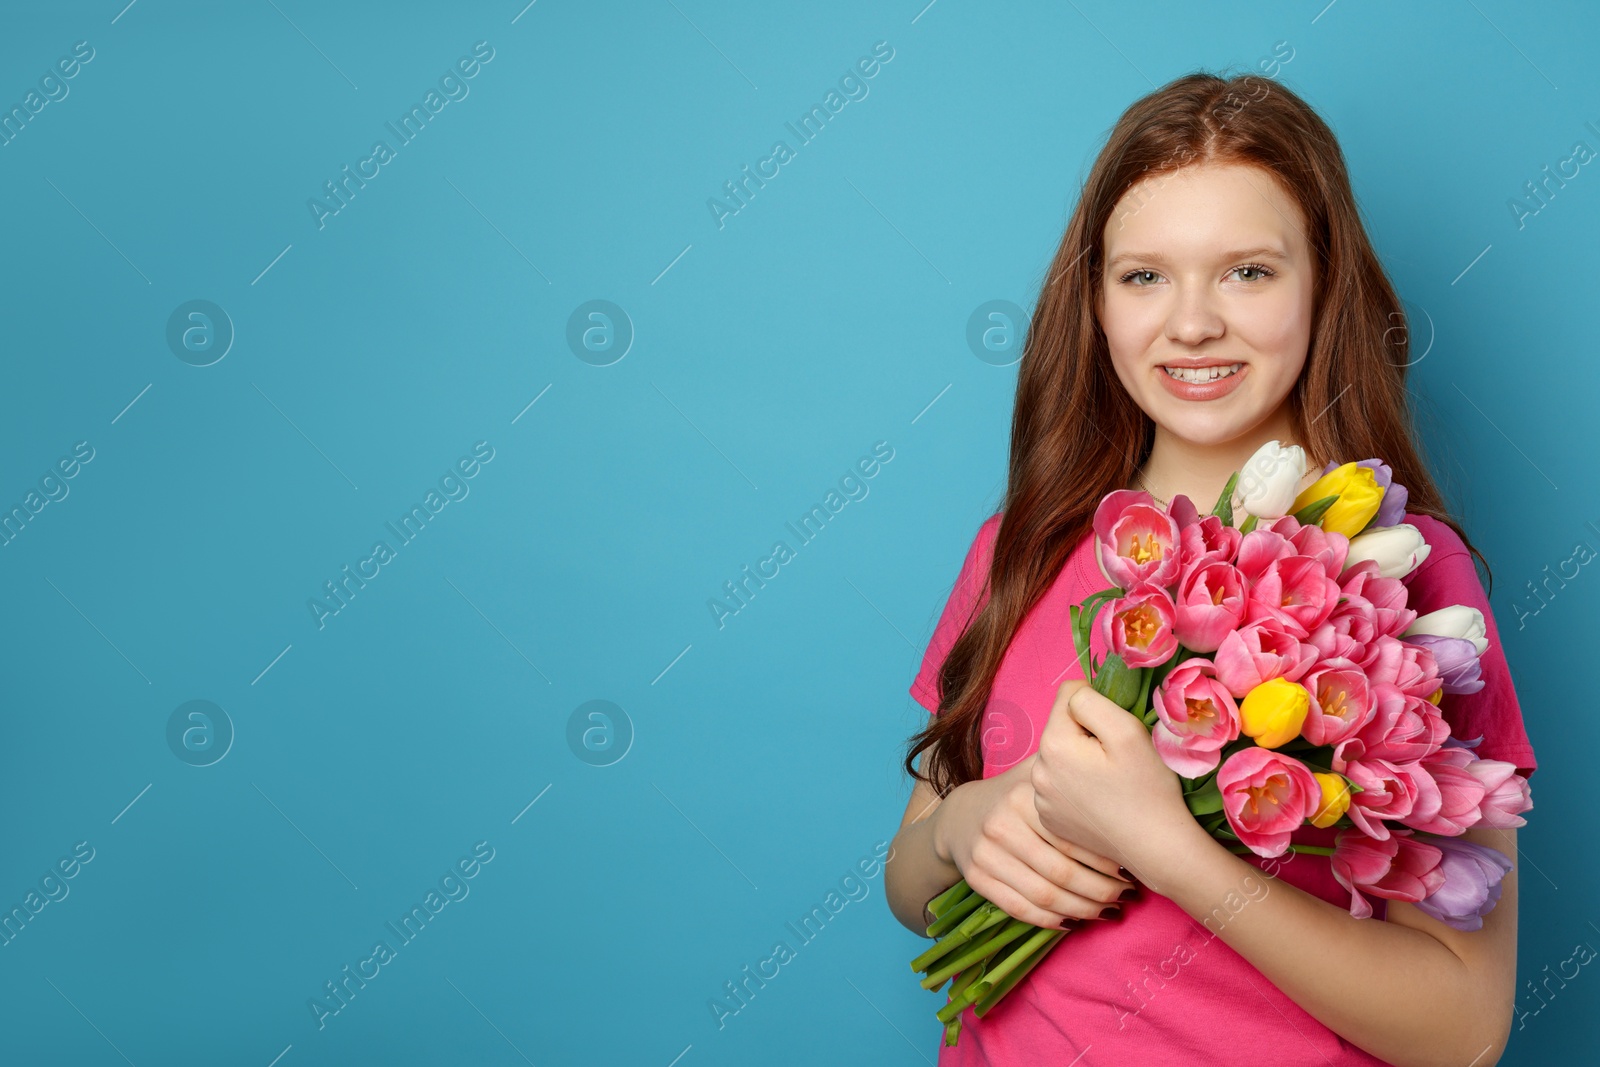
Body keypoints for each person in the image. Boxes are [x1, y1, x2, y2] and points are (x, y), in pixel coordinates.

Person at [883, 70, 1538, 1066]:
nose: (1190, 324)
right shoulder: (1020, 547)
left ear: (1323, 285)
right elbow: (909, 880)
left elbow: (1460, 1028)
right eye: (1143, 275)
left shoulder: (1408, 579)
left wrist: (1168, 848)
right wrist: (959, 829)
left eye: (1248, 272)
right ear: (1094, 300)